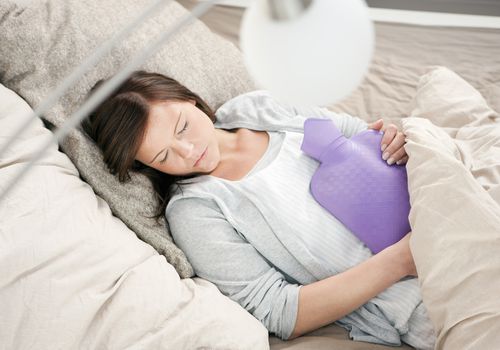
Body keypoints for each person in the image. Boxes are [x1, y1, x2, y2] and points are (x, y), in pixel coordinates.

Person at [82, 70, 436, 350]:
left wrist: (393, 138)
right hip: (419, 296)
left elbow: (355, 131)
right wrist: (398, 261)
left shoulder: (256, 109)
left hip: (434, 205)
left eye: (183, 127)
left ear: (188, 99)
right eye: (163, 157)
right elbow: (280, 311)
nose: (188, 152)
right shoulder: (197, 211)